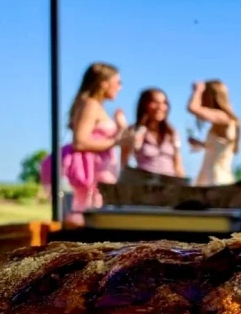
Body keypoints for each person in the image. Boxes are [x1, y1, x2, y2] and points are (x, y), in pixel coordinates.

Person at [55, 62, 128, 223]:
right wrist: (118, 140)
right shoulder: (90, 105)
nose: (120, 87)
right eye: (118, 82)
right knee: (93, 221)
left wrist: (121, 127)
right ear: (104, 83)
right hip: (94, 177)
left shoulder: (94, 105)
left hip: (102, 174)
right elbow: (80, 142)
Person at [188, 79, 239, 186]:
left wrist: (197, 90)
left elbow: (193, 108)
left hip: (215, 179)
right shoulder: (227, 121)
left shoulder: (223, 117)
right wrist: (202, 144)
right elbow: (219, 148)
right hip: (215, 177)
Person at [122, 88, 183, 177]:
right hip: (143, 182)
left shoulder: (171, 132)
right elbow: (124, 161)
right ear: (144, 105)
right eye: (155, 102)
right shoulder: (134, 130)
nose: (160, 107)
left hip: (169, 183)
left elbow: (178, 164)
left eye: (164, 103)